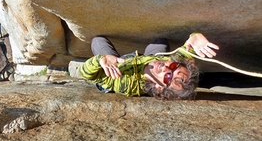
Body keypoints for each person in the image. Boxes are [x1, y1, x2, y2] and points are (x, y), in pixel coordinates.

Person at [79, 33, 219, 100]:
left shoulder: (124, 82)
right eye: (174, 66)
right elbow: (190, 49)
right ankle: (146, 55)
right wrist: (195, 37)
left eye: (168, 77)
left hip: (115, 66)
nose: (165, 68)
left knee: (98, 40)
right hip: (146, 59)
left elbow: (86, 74)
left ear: (159, 87)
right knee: (161, 41)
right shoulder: (166, 62)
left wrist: (100, 60)